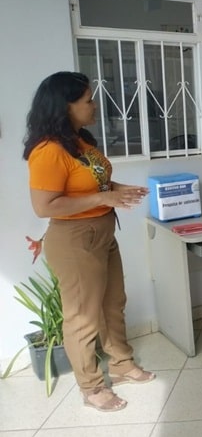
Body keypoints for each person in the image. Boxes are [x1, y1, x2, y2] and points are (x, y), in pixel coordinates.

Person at [24, 72, 156, 413]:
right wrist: (104, 198)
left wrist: (118, 190)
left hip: (102, 233)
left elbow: (94, 183)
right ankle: (91, 387)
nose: (94, 105)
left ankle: (122, 364)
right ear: (65, 106)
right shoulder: (48, 151)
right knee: (82, 316)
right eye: (88, 100)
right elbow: (44, 206)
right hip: (74, 240)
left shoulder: (80, 141)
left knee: (113, 303)